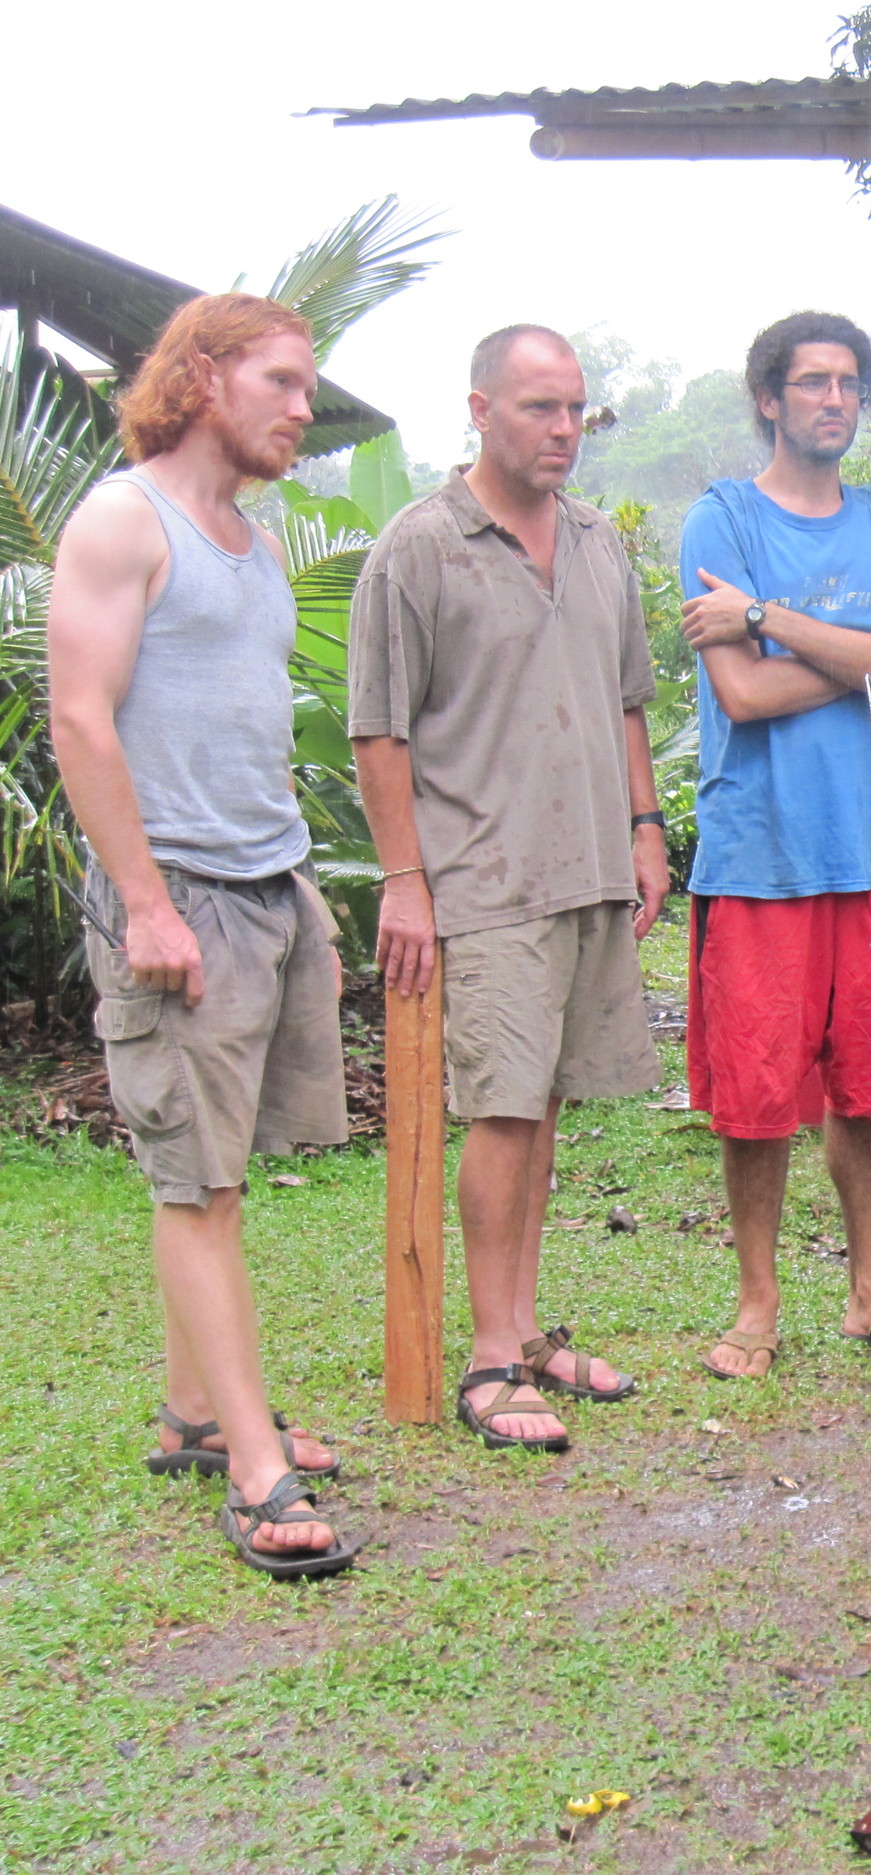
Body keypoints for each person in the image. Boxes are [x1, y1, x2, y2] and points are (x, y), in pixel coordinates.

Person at [48, 294, 357, 1576]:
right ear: (206, 377)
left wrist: (301, 890)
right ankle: (250, 1463)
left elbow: (243, 722)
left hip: (262, 884)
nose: (303, 408)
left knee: (224, 1169)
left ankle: (191, 1414)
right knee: (202, 1190)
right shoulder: (126, 520)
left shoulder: (252, 538)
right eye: (282, 383)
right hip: (174, 890)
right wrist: (146, 903)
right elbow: (80, 718)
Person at [350, 325, 669, 1453]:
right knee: (500, 1110)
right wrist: (403, 883)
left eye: (578, 409)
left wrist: (643, 826)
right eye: (541, 408)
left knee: (545, 1108)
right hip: (482, 875)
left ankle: (528, 1332)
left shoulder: (594, 543)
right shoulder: (420, 549)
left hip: (587, 866)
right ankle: (490, 1359)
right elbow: (378, 733)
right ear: (478, 409)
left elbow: (628, 698)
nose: (566, 430)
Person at [674, 313, 871, 1377]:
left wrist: (773, 619)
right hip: (761, 852)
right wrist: (864, 653)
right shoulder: (722, 519)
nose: (834, 400)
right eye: (812, 382)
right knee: (755, 1096)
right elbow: (738, 693)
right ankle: (756, 1303)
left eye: (849, 385)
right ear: (769, 399)